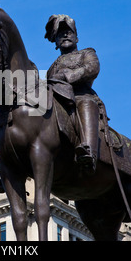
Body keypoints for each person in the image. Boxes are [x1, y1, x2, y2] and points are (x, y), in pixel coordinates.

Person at [45, 15, 101, 175]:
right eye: (60, 34)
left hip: (80, 96)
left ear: (76, 37)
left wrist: (68, 75)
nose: (65, 35)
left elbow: (92, 68)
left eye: (69, 32)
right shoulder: (52, 67)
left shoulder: (87, 53)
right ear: (55, 42)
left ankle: (89, 152)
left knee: (86, 104)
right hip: (56, 101)